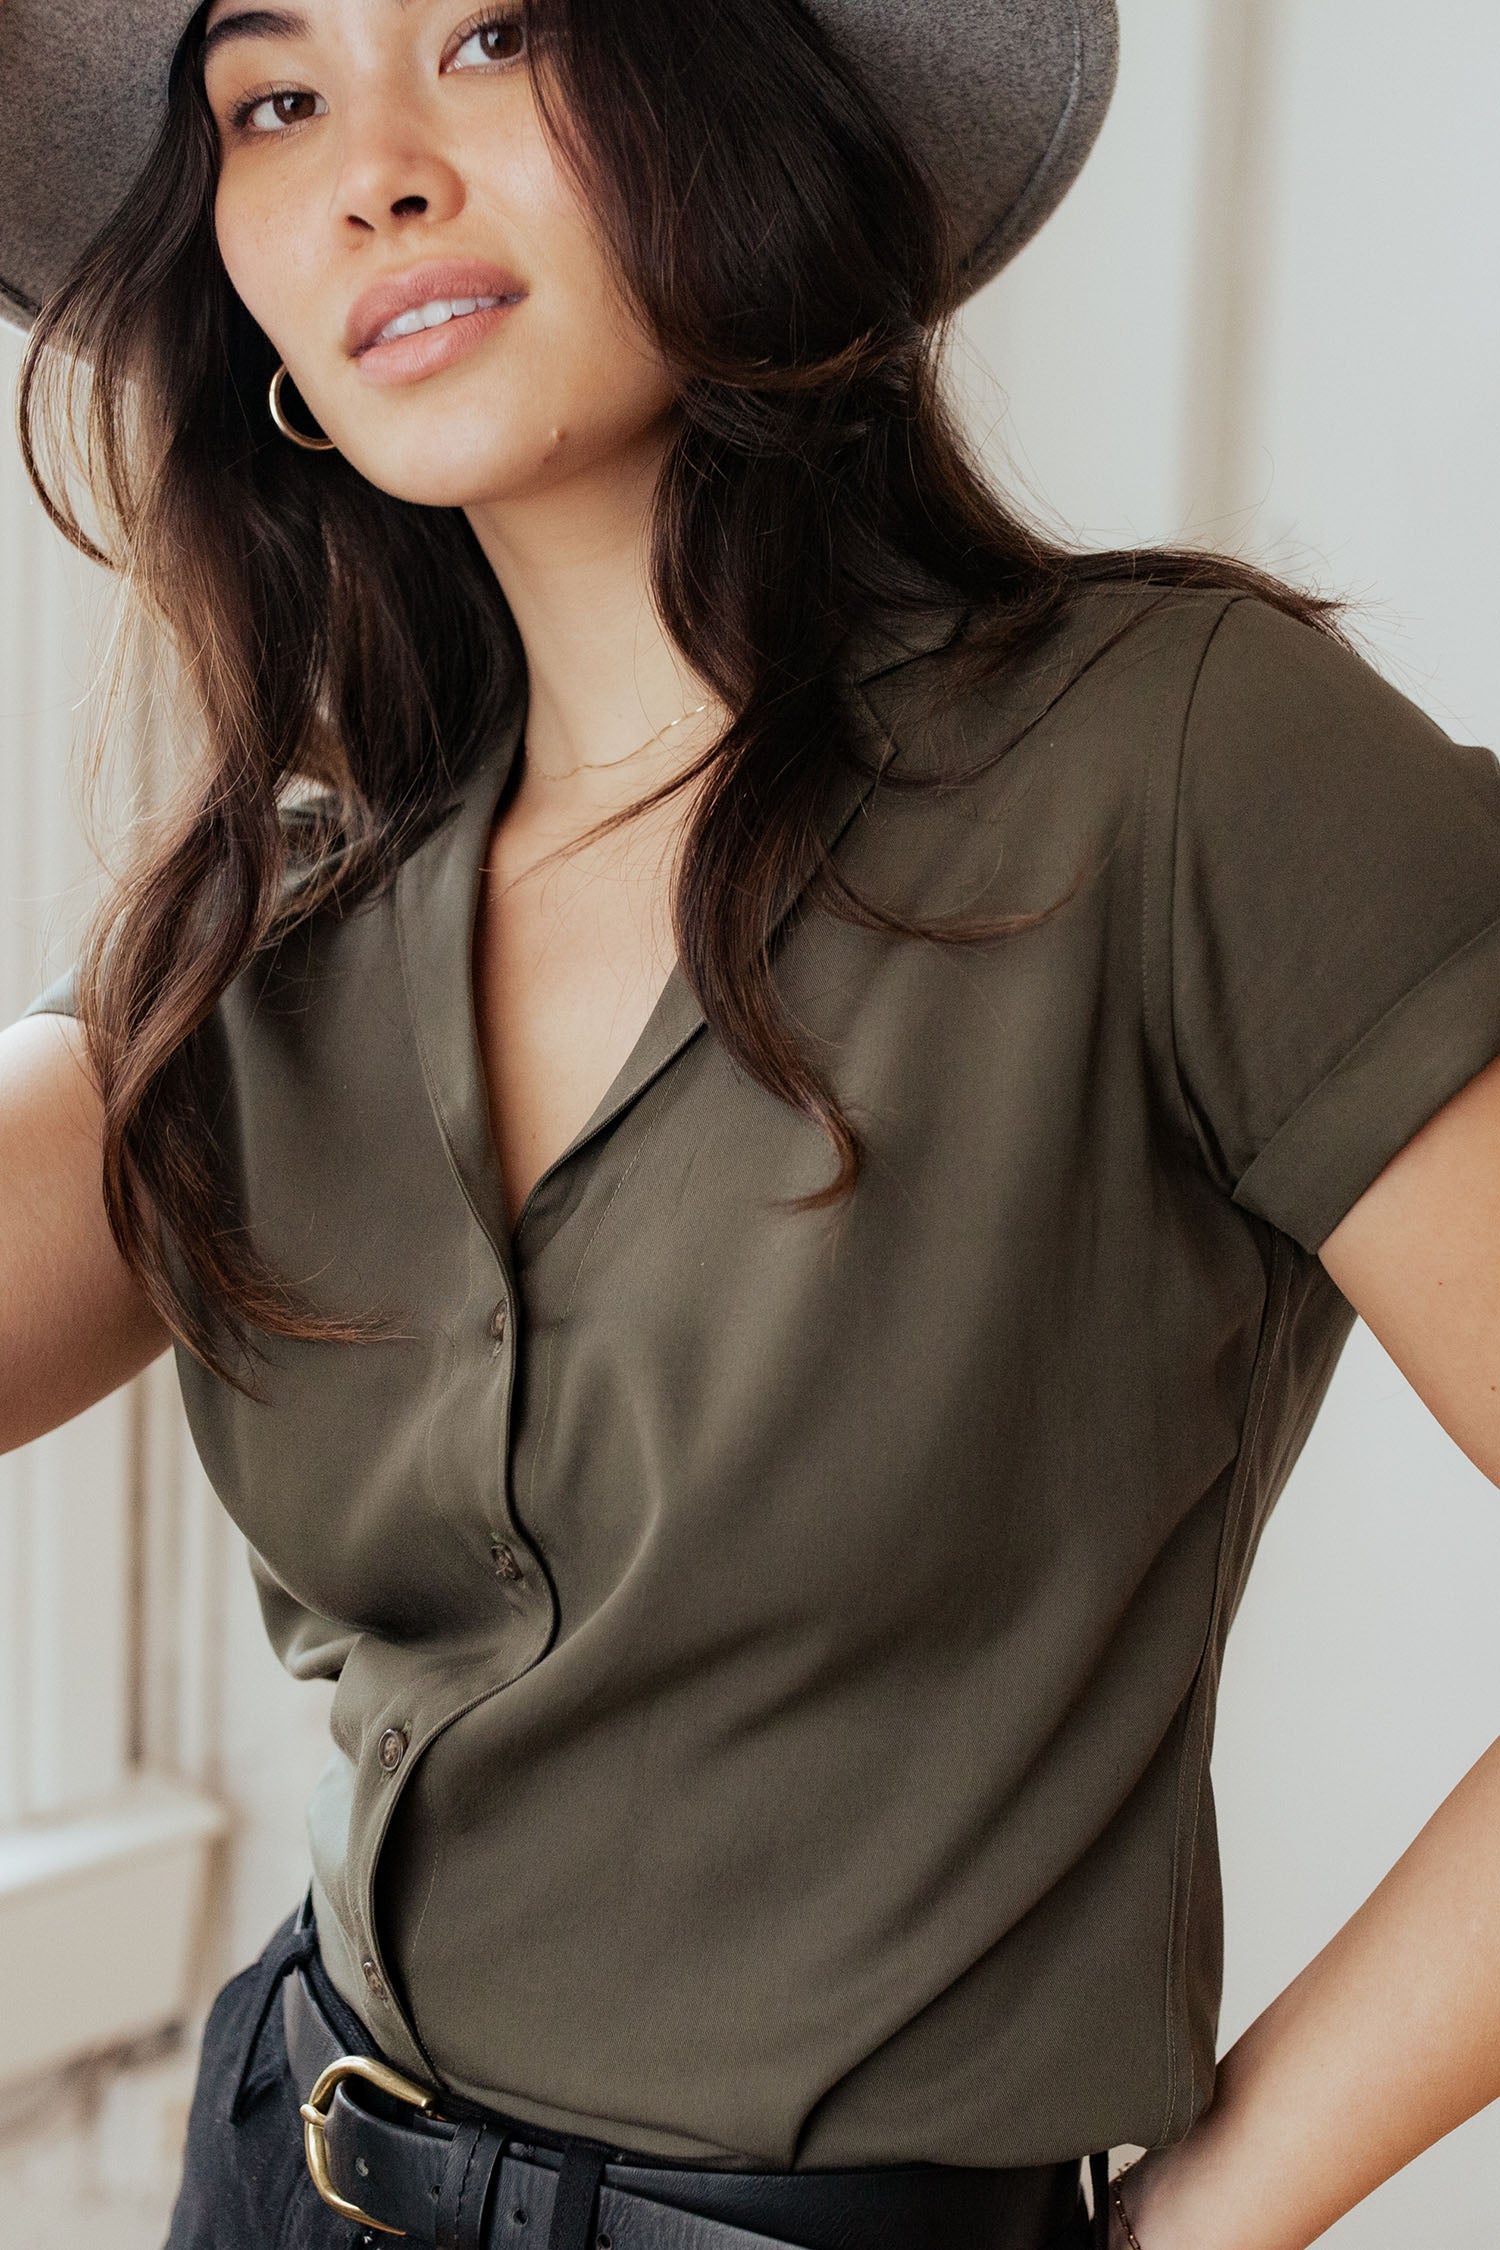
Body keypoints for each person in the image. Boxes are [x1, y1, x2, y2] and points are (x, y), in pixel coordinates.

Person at [3, 1, 1500, 2244]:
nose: (372, 169)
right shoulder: (275, 939)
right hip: (278, 2170)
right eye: (272, 94)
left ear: (733, 108)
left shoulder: (1177, 764)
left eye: (492, 34)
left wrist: (1207, 2221)